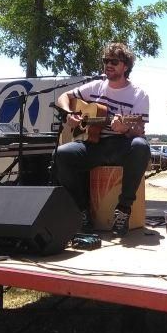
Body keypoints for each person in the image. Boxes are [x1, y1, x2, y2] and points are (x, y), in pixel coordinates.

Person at [54, 43, 150, 237]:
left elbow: (139, 130)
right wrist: (69, 114)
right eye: (106, 61)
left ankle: (123, 210)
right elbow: (63, 96)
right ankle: (82, 212)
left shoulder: (139, 95)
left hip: (120, 146)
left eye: (114, 61)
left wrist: (126, 129)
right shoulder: (95, 86)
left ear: (126, 66)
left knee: (141, 146)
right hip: (93, 144)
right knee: (62, 154)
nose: (108, 65)